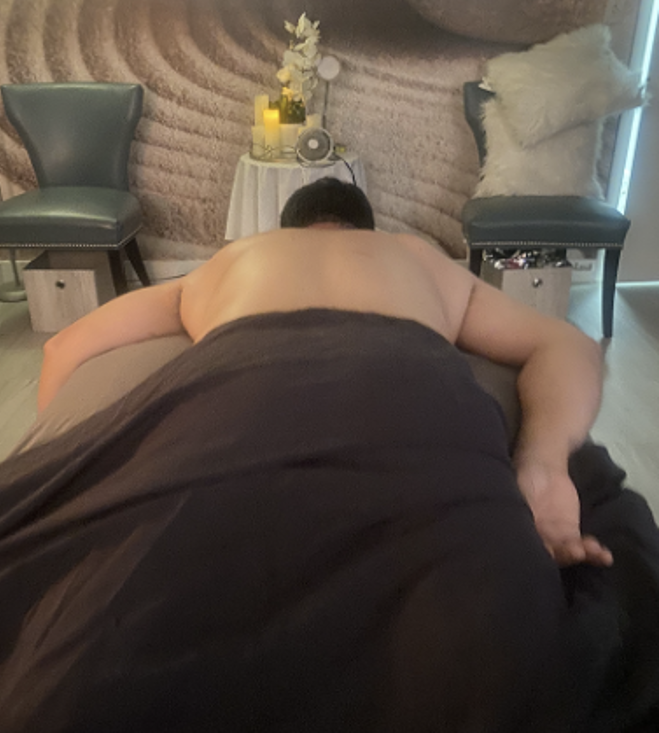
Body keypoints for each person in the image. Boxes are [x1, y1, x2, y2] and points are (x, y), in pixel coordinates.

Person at [38, 177, 611, 568]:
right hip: (413, 392)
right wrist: (543, 464)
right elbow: (569, 344)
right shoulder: (413, 254)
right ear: (367, 229)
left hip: (236, 393)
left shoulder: (232, 259)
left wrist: (50, 468)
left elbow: (63, 347)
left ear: (287, 229)